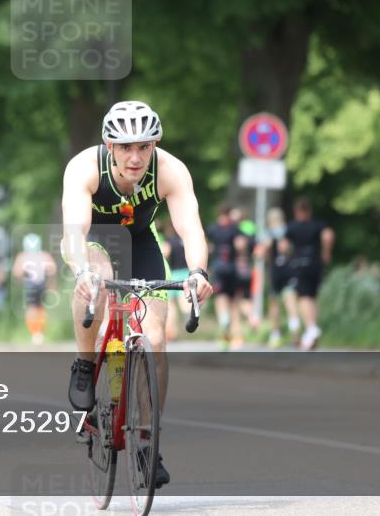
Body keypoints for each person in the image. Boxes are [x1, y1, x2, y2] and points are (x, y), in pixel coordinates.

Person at [62, 100, 213, 489]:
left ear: (155, 144)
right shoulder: (84, 167)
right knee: (97, 277)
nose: (135, 157)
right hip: (93, 241)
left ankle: (147, 440)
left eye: (144, 147)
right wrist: (81, 271)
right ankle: (84, 363)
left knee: (156, 338)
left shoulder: (170, 170)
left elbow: (191, 229)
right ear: (109, 145)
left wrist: (198, 273)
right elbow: (75, 229)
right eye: (125, 147)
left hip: (142, 242)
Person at [285, 198, 335, 350]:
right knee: (312, 297)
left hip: (300, 264)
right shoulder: (318, 225)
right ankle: (311, 332)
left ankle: (311, 328)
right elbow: (328, 235)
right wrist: (326, 252)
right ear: (310, 211)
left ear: (296, 211)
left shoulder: (292, 227)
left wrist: (288, 256)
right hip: (315, 263)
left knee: (303, 298)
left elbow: (283, 246)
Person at [256, 207, 299, 348]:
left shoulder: (268, 234)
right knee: (290, 302)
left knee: (274, 304)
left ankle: (275, 334)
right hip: (290, 269)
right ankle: (295, 332)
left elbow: (260, 254)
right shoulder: (288, 231)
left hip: (275, 271)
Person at [206, 206, 246, 349]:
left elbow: (207, 246)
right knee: (234, 303)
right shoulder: (235, 228)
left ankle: (224, 330)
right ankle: (237, 336)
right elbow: (241, 245)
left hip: (218, 268)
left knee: (220, 300)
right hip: (232, 268)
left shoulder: (212, 228)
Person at [12, 233, 57, 345]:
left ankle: (35, 332)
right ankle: (39, 332)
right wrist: (51, 282)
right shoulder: (44, 255)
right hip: (41, 284)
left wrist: (19, 279)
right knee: (40, 308)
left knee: (31, 309)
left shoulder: (23, 256)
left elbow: (17, 272)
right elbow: (52, 269)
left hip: (30, 285)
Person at [159, 220, 191, 342]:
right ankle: (188, 316)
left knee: (171, 304)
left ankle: (172, 332)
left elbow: (164, 253)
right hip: (186, 273)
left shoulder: (170, 241)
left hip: (174, 274)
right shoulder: (187, 240)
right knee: (184, 301)